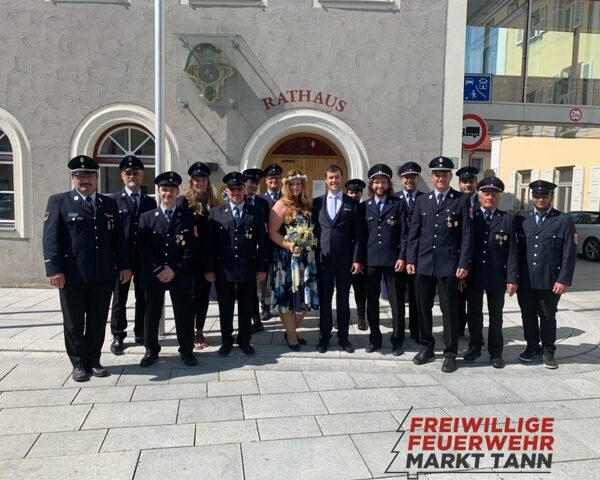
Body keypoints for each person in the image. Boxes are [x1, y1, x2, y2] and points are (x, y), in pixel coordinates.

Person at [42, 155, 131, 382]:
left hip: (102, 275)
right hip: (72, 276)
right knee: (73, 322)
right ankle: (79, 364)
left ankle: (94, 360)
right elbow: (51, 239)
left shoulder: (108, 204)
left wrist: (125, 266)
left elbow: (119, 239)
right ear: (73, 178)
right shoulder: (59, 202)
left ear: (96, 178)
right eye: (80, 176)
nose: (85, 180)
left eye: (89, 175)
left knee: (97, 320)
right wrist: (54, 270)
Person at [406, 156, 473, 373]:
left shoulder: (461, 200)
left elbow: (466, 236)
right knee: (423, 307)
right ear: (432, 177)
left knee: (449, 310)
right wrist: (410, 259)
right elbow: (413, 234)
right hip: (424, 263)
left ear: (450, 176)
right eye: (437, 174)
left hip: (449, 265)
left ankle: (451, 352)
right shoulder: (422, 201)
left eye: (444, 174)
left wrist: (464, 263)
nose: (440, 178)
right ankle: (427, 346)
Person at [205, 172, 269, 356]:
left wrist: (262, 268)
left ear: (244, 190)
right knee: (225, 307)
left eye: (239, 189)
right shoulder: (216, 213)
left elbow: (263, 243)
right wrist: (209, 268)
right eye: (232, 189)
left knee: (245, 306)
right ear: (227, 191)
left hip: (247, 268)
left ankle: (244, 340)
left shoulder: (256, 213)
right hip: (223, 269)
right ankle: (226, 340)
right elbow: (210, 244)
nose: (236, 192)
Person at [138, 171, 198, 367]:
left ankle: (187, 350)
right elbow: (142, 248)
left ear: (177, 192)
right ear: (158, 191)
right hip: (154, 274)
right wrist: (158, 269)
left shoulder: (188, 218)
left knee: (184, 314)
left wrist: (174, 269)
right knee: (152, 314)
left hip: (179, 274)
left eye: (171, 190)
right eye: (164, 190)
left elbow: (192, 248)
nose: (168, 193)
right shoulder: (146, 218)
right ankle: (151, 350)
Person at [515, 180, 577, 369]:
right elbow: (514, 251)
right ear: (532, 197)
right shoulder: (521, 219)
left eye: (544, 196)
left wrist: (563, 279)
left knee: (548, 315)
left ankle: (548, 350)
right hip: (526, 279)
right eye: (536, 196)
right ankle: (532, 347)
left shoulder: (563, 220)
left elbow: (569, 253)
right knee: (528, 315)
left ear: (551, 197)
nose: (540, 199)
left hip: (550, 280)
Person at [463, 176, 518, 369]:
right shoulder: (471, 216)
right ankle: (475, 346)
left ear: (499, 197)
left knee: (496, 315)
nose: (490, 197)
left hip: (497, 275)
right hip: (475, 274)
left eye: (494, 194)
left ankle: (496, 352)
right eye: (486, 193)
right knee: (474, 314)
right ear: (479, 196)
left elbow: (512, 252)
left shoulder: (508, 219)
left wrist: (512, 278)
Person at [109, 155, 156, 355]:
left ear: (142, 175)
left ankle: (141, 332)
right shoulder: (112, 201)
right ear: (122, 176)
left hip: (143, 259)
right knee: (120, 298)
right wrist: (116, 260)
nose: (132, 176)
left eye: (135, 173)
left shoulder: (149, 202)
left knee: (143, 296)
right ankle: (118, 335)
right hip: (122, 259)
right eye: (128, 173)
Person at [313, 164, 363, 354]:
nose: (334, 181)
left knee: (343, 300)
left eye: (337, 177)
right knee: (325, 300)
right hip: (323, 261)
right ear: (326, 180)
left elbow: (358, 236)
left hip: (345, 261)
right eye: (330, 177)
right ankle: (324, 337)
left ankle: (344, 338)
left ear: (342, 178)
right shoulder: (317, 203)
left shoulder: (353, 204)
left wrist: (357, 260)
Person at [268, 170, 319, 350]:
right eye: (292, 184)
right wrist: (289, 245)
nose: (296, 187)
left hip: (307, 259)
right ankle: (292, 336)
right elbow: (272, 232)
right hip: (287, 259)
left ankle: (291, 330)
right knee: (288, 298)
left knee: (305, 299)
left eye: (299, 183)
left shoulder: (307, 205)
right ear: (287, 186)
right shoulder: (281, 204)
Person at [360, 164, 407, 355]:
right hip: (371, 260)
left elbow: (405, 233)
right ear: (372, 184)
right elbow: (361, 237)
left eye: (383, 182)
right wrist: (360, 260)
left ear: (388, 184)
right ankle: (375, 339)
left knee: (396, 302)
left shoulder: (397, 204)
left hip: (392, 260)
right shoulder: (365, 207)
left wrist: (402, 257)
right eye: (376, 182)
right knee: (372, 301)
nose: (380, 185)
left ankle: (397, 341)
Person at [177, 161, 220, 349]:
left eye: (203, 179)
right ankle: (189, 331)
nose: (200, 183)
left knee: (203, 297)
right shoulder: (183, 201)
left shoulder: (213, 202)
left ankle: (199, 329)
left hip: (208, 257)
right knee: (191, 296)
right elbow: (177, 227)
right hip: (190, 258)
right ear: (191, 182)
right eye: (196, 180)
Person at [395, 161, 425, 342]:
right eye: (406, 177)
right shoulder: (394, 199)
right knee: (398, 296)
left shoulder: (425, 199)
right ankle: (398, 331)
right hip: (398, 255)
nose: (409, 180)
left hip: (418, 255)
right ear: (401, 179)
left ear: (417, 178)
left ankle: (416, 330)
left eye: (413, 177)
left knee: (416, 295)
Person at [243, 168, 271, 334]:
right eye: (250, 182)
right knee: (246, 288)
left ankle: (256, 320)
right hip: (242, 250)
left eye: (256, 183)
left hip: (257, 250)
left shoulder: (262, 203)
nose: (253, 185)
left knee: (254, 287)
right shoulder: (238, 198)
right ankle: (251, 319)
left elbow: (266, 227)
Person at [455, 166, 480, 337]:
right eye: (464, 182)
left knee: (474, 300)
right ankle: (457, 329)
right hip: (459, 260)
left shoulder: (483, 202)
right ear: (459, 184)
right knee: (457, 299)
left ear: (475, 183)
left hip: (478, 262)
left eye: (471, 182)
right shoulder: (455, 203)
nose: (467, 185)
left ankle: (475, 332)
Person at [345, 179, 367, 331]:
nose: (354, 195)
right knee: (343, 290)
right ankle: (343, 317)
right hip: (345, 256)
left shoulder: (365, 208)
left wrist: (360, 258)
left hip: (361, 256)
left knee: (360, 291)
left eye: (357, 192)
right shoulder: (343, 207)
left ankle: (361, 319)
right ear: (347, 192)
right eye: (352, 192)